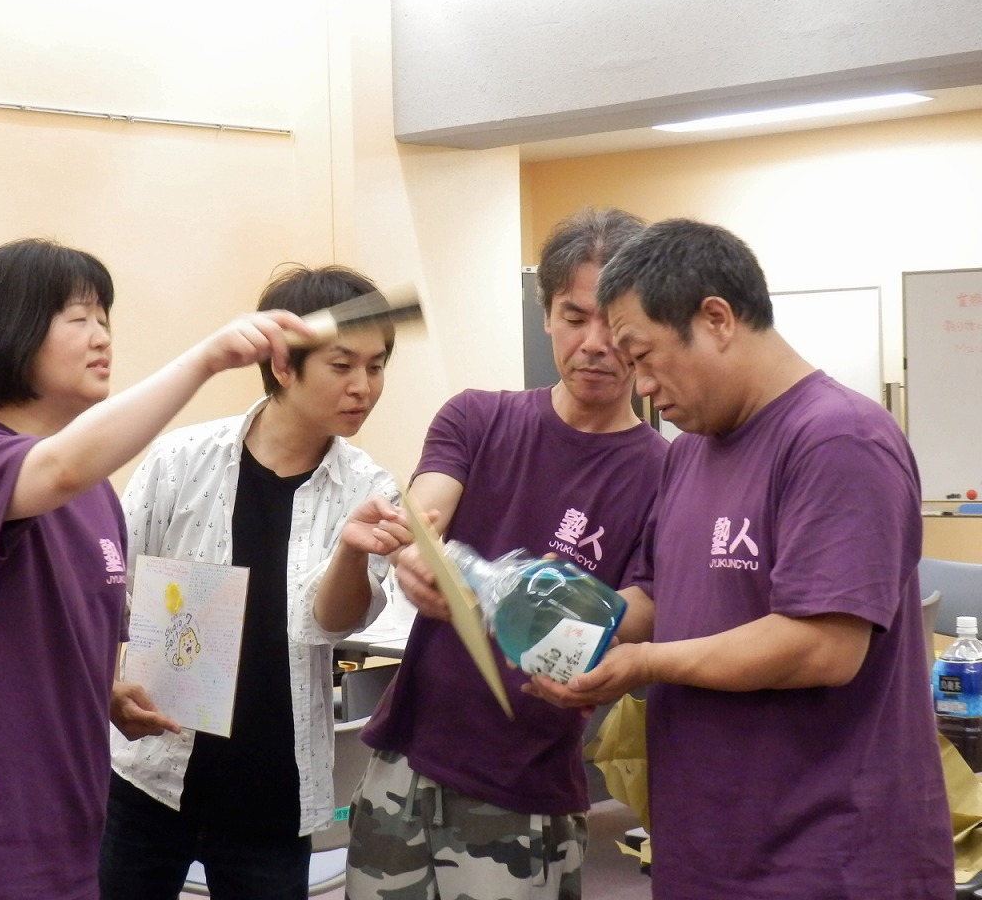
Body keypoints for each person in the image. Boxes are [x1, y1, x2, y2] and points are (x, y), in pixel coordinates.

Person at [0, 238, 313, 900]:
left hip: (68, 826)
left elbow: (48, 629)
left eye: (105, 318)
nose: (101, 336)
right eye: (78, 319)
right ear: (10, 330)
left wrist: (103, 692)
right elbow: (58, 468)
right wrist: (205, 359)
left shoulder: (95, 495)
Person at [528, 218, 955, 899]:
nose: (642, 385)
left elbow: (823, 646)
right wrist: (565, 622)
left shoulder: (838, 440)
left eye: (645, 356)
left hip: (827, 860)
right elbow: (661, 596)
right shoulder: (691, 450)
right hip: (707, 848)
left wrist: (644, 664)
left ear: (717, 319)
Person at [346, 207, 669, 900]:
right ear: (546, 314)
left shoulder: (668, 472)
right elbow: (428, 510)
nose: (594, 344)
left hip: (526, 784)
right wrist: (418, 555)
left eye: (613, 323)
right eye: (573, 316)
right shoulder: (477, 417)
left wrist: (545, 608)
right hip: (404, 763)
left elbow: (644, 608)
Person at [98, 265, 411, 900]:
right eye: (342, 366)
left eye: (376, 367)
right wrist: (104, 683)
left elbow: (333, 624)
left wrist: (351, 553)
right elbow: (110, 587)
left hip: (274, 788)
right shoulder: (182, 461)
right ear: (283, 365)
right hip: (153, 772)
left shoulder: (368, 487)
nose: (364, 387)